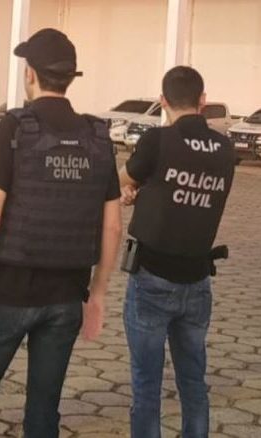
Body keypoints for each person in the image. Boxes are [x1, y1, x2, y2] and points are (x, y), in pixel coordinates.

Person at [0, 28, 122, 438]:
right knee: (44, 411)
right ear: (70, 77)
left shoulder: (15, 127)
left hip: (10, 292)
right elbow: (113, 225)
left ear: (30, 74)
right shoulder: (98, 136)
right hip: (67, 296)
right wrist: (98, 294)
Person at [119, 66, 235, 438]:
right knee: (193, 382)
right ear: (203, 100)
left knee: (147, 384)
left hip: (151, 277)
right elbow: (186, 191)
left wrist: (134, 191)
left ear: (162, 101)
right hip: (198, 280)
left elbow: (124, 179)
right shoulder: (224, 148)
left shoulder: (157, 140)